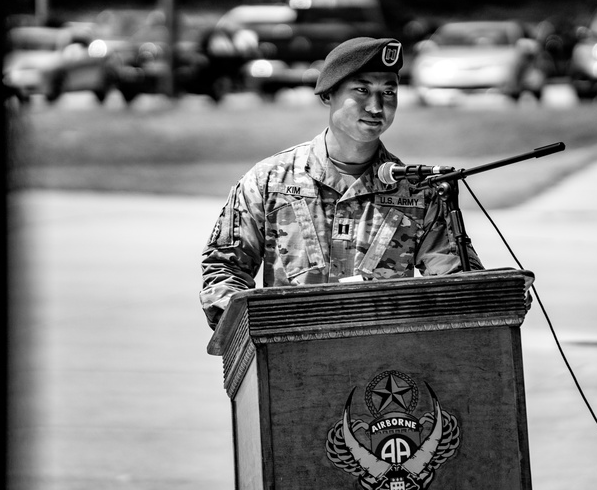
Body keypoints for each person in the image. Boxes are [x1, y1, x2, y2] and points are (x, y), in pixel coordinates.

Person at [199, 36, 485, 332]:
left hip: (387, 366)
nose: (377, 107)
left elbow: (456, 282)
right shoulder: (270, 180)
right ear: (328, 94)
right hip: (288, 357)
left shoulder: (417, 192)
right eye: (362, 90)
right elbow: (224, 269)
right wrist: (250, 332)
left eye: (389, 92)